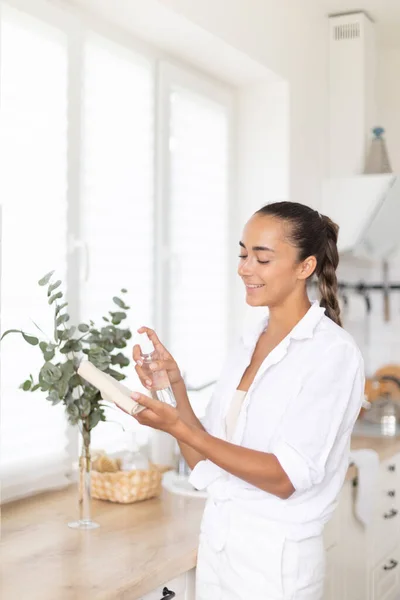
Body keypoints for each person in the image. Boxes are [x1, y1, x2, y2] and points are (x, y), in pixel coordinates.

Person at [129, 201, 364, 600]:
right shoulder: (248, 341)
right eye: (242, 254)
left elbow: (283, 478)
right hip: (220, 546)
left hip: (275, 565)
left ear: (304, 267)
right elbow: (204, 460)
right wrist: (173, 388)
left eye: (262, 258)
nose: (244, 268)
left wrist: (179, 427)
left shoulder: (332, 353)